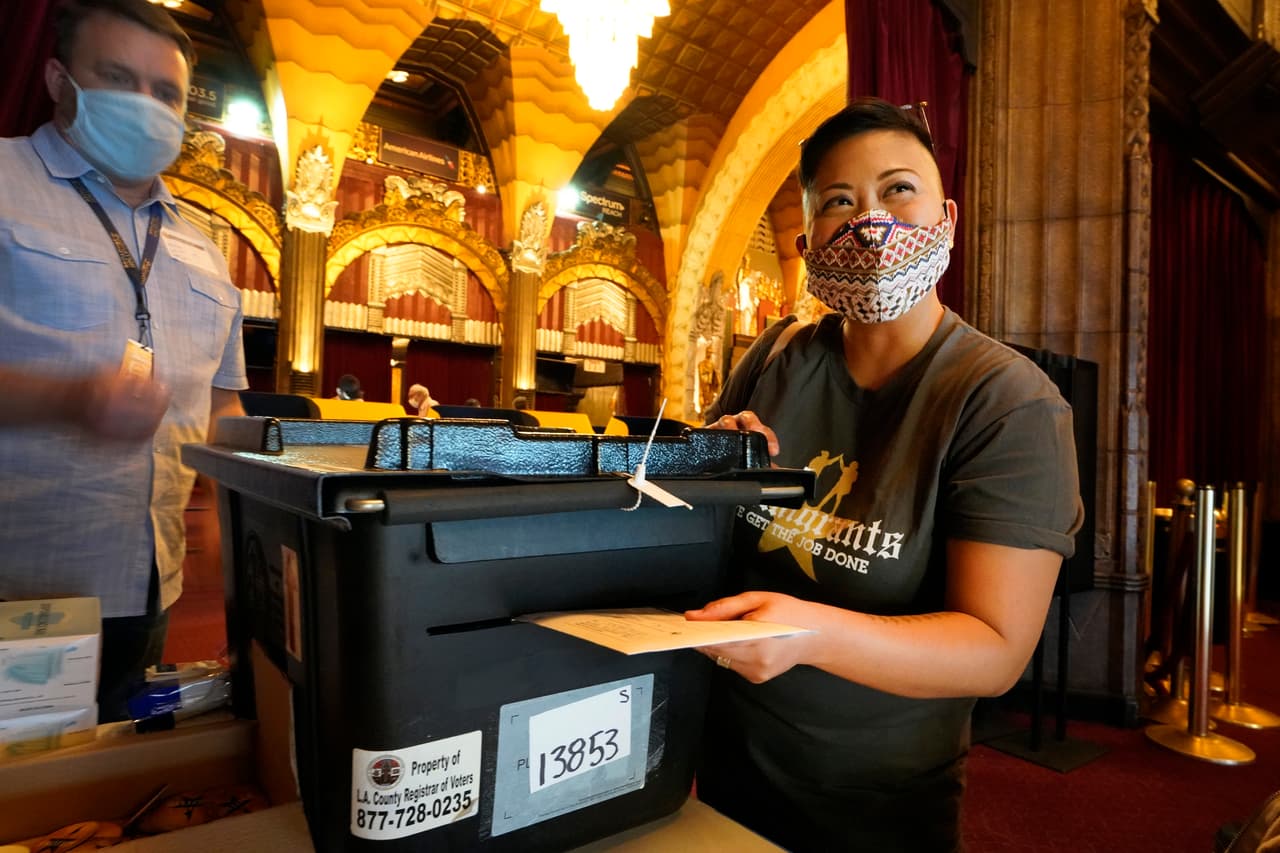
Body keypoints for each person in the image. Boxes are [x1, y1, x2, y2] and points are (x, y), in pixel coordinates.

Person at [688, 98, 1082, 852]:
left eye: (898, 189)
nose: (872, 222)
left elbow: (995, 648)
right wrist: (705, 459)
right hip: (723, 773)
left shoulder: (1008, 401)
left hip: (878, 804)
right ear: (807, 244)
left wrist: (809, 634)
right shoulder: (774, 357)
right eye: (840, 201)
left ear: (947, 218)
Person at [0, 0, 246, 723]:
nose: (145, 106)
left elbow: (224, 402)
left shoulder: (207, 247)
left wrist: (234, 501)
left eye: (165, 92)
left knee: (98, 804)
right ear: (57, 79)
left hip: (148, 583)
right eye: (117, 78)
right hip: (21, 583)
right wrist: (68, 399)